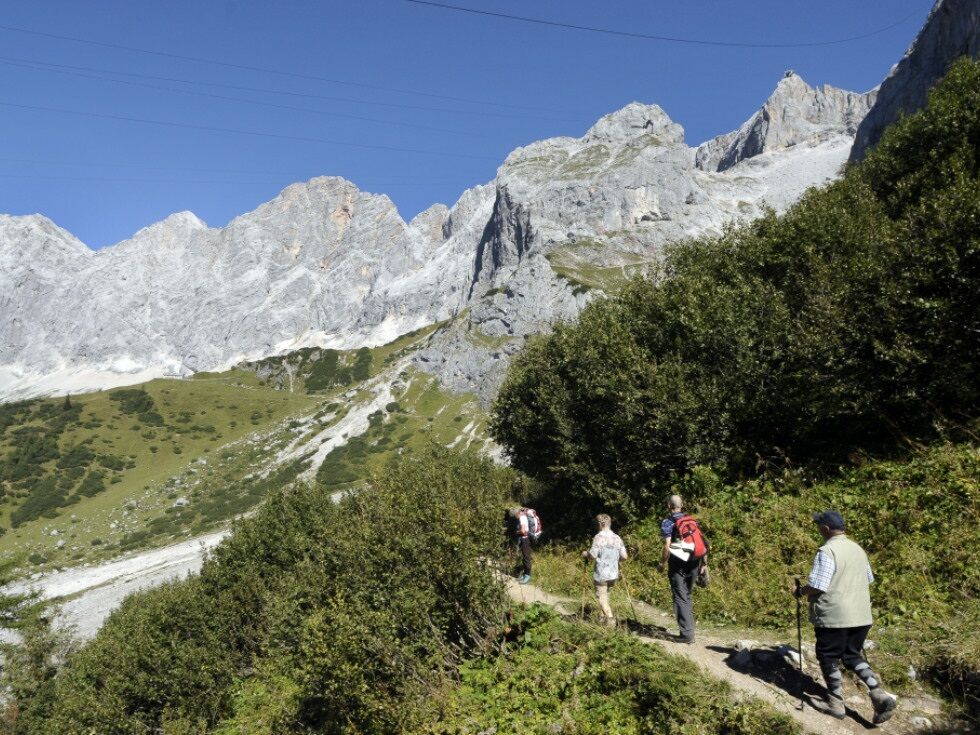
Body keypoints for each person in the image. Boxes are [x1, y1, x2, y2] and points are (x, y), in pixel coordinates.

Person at [794, 510, 897, 724]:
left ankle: (835, 703)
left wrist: (800, 592)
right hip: (861, 615)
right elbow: (868, 579)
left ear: (826, 529)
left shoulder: (827, 550)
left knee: (828, 655)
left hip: (834, 616)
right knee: (851, 655)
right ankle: (878, 693)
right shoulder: (858, 549)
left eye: (818, 527)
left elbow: (818, 585)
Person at [660, 494, 707, 643]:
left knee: (680, 596)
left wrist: (661, 563)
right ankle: (687, 630)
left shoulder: (668, 522)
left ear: (669, 505)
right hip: (694, 561)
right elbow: (703, 543)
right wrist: (704, 564)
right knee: (686, 594)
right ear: (682, 505)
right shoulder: (691, 521)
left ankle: (687, 635)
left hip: (677, 563)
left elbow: (667, 546)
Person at [582, 513, 628, 626]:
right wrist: (615, 559)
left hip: (601, 574)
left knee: (601, 598)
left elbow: (592, 555)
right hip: (613, 574)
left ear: (599, 524)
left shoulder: (599, 537)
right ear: (609, 523)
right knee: (606, 596)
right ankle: (602, 619)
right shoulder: (617, 538)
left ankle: (610, 619)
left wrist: (585, 554)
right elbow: (624, 557)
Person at [508, 506, 539, 584]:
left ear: (517, 513)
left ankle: (528, 576)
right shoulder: (524, 516)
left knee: (526, 557)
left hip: (526, 539)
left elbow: (523, 531)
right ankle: (525, 575)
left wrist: (517, 532)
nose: (515, 517)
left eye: (514, 516)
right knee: (525, 557)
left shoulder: (522, 518)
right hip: (527, 538)